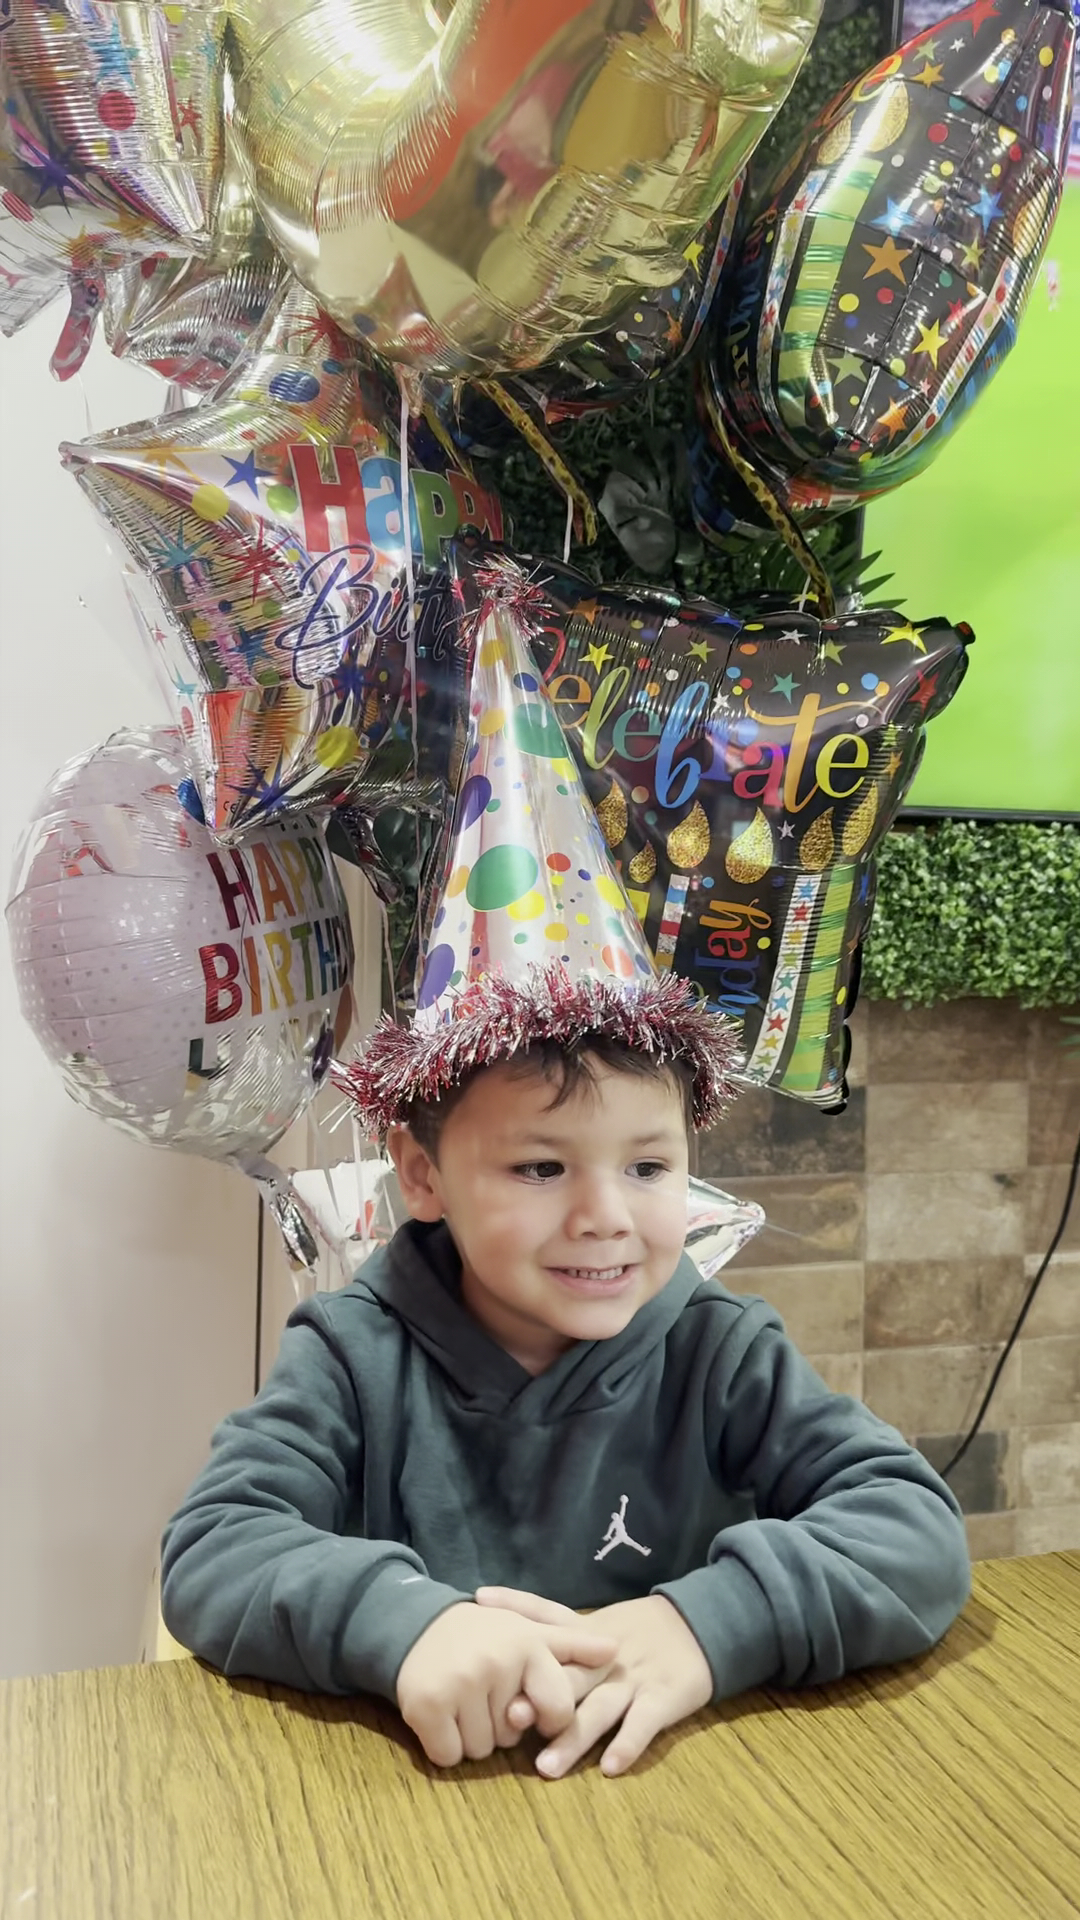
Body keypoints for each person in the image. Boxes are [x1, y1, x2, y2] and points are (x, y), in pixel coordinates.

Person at [161, 1017, 972, 1782]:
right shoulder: (350, 1353)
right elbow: (216, 1546)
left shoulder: (717, 1348)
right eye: (542, 1169)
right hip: (414, 1797)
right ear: (422, 1174)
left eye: (647, 1168)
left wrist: (705, 1624)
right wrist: (404, 1621)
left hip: (674, 1789)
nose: (606, 1219)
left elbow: (911, 1526)